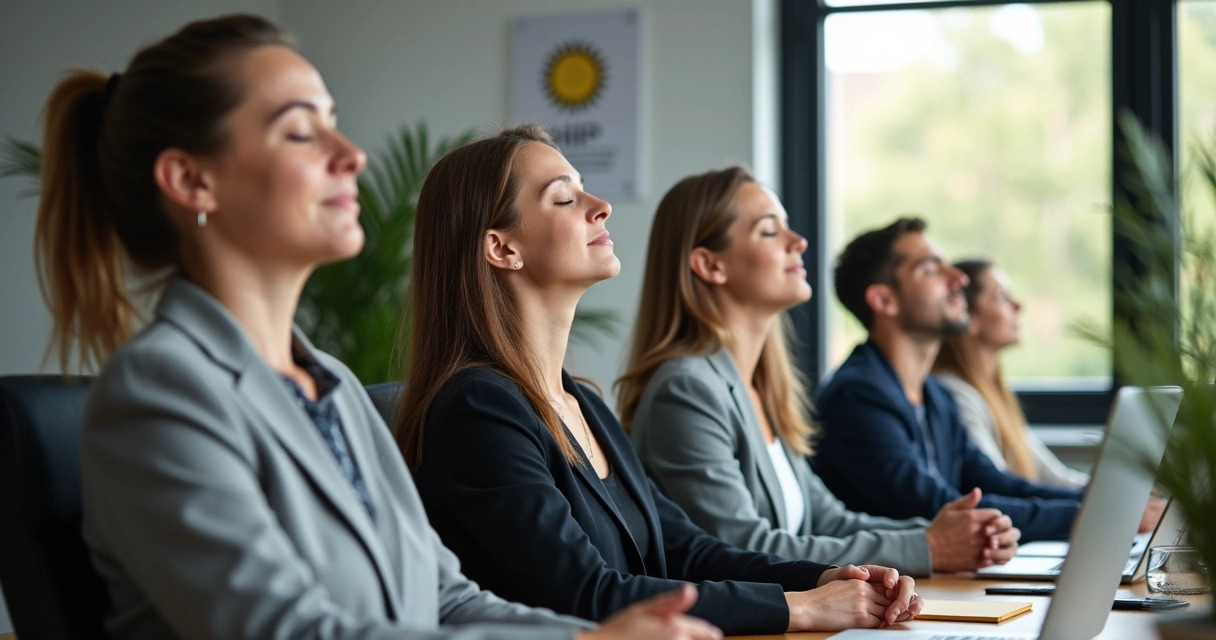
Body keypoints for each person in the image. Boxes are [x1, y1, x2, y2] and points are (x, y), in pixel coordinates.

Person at [38, 15, 718, 640]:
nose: (351, 155)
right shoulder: (158, 392)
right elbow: (289, 633)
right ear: (192, 181)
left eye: (334, 123)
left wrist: (587, 639)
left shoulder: (329, 382)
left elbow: (445, 597)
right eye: (301, 131)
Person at [396, 127, 923, 637]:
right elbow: (585, 594)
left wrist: (824, 579)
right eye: (564, 198)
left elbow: (685, 550)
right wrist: (800, 609)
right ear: (502, 248)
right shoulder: (478, 409)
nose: (601, 206)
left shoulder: (581, 402)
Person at [617, 167, 1020, 577]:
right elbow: (741, 547)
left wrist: (940, 535)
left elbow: (829, 521)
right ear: (710, 265)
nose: (799, 242)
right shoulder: (686, 390)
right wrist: (929, 547)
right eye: (769, 231)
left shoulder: (760, 389)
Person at [811, 218, 1085, 542]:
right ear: (885, 301)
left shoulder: (937, 396)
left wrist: (1093, 505)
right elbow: (938, 509)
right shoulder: (856, 398)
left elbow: (997, 484)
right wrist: (1088, 516)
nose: (958, 278)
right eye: (930, 269)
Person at [933, 260, 1089, 490]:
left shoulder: (994, 394)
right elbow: (1000, 484)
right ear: (968, 316)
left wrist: (1114, 496)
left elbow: (1054, 478)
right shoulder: (956, 394)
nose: (1018, 306)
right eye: (1002, 298)